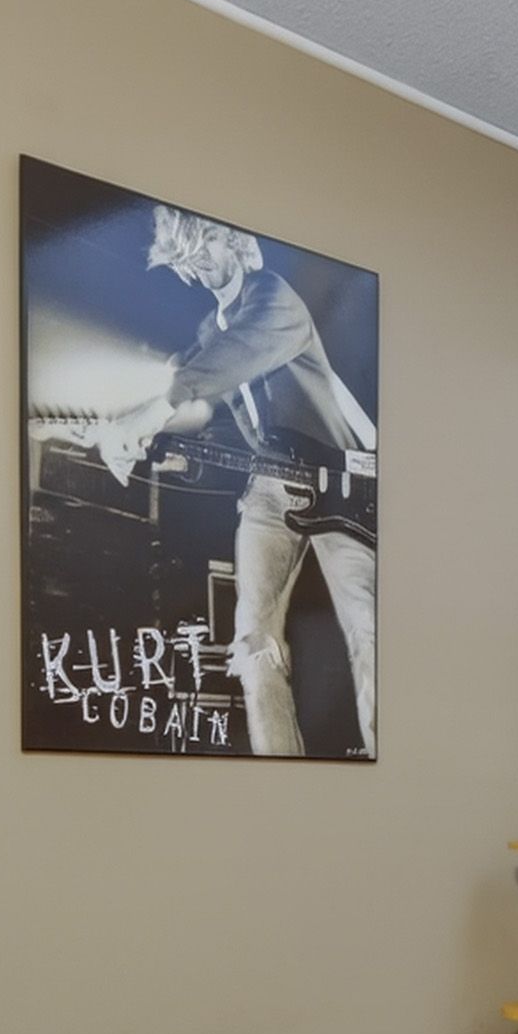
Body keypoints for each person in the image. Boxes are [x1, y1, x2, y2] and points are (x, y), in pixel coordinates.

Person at [141, 207, 378, 756]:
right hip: (269, 484)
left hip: (339, 479)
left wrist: (161, 403)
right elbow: (221, 414)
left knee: (367, 629)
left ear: (236, 244)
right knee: (252, 641)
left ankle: (381, 754)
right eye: (191, 255)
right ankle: (277, 764)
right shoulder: (208, 335)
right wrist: (157, 437)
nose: (203, 262)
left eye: (211, 244)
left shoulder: (273, 297)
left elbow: (240, 354)